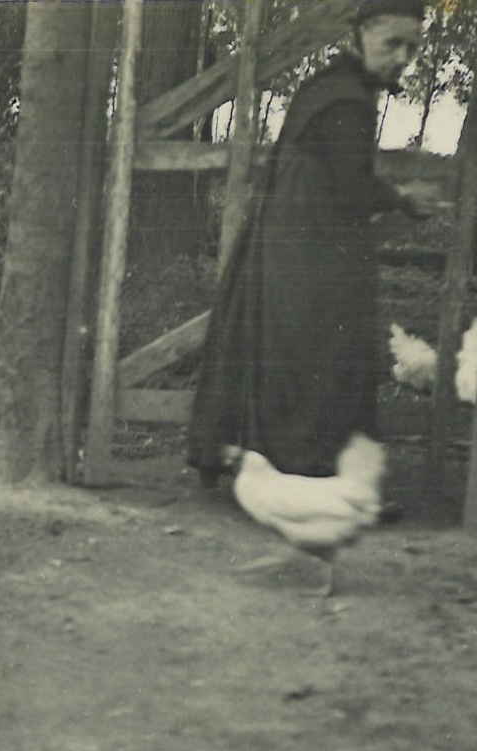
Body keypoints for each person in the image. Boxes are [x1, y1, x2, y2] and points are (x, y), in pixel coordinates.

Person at [187, 0, 441, 488]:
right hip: (310, 253)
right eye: (392, 43)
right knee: (321, 354)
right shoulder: (345, 101)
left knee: (284, 353)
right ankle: (309, 472)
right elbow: (351, 189)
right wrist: (403, 198)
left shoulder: (331, 89)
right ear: (360, 34)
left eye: (411, 47)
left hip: (293, 245)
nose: (402, 57)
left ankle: (264, 462)